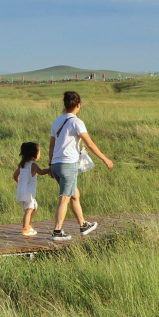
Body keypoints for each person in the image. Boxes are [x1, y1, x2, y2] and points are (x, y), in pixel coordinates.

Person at [48, 91, 114, 241]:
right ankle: (57, 231)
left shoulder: (57, 121)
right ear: (78, 105)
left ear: (65, 105)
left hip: (56, 164)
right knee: (64, 197)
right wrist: (105, 159)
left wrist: (50, 163)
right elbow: (90, 144)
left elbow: (52, 145)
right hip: (68, 164)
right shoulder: (77, 122)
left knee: (75, 194)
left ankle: (83, 225)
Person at [13, 141, 50, 237]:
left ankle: (28, 224)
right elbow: (41, 172)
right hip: (28, 192)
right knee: (29, 209)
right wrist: (50, 170)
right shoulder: (32, 165)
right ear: (34, 153)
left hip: (23, 191)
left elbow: (15, 175)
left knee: (34, 207)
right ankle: (25, 229)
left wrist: (19, 183)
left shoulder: (22, 165)